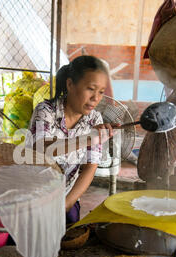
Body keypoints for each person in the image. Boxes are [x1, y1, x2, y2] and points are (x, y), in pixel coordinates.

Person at [25, 55, 119, 225]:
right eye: (91, 88)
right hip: (32, 196)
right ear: (70, 84)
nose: (95, 98)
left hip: (65, 196)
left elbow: (90, 167)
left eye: (101, 92)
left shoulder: (94, 119)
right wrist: (89, 139)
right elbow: (42, 149)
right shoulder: (46, 112)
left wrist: (66, 204)